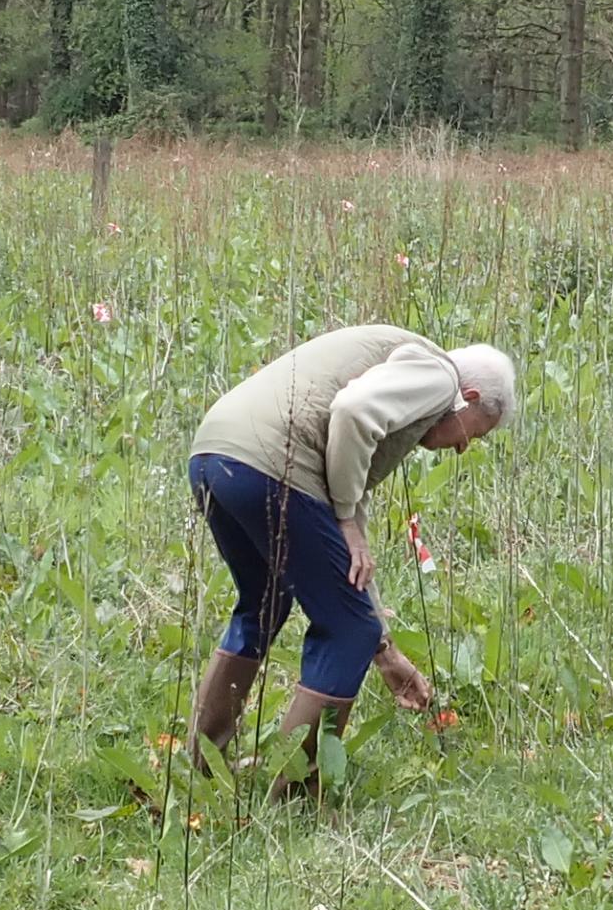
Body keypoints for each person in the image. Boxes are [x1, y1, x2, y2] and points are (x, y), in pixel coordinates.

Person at [186, 326, 516, 769]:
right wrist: (343, 517)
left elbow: (348, 538)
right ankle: (295, 798)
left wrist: (386, 650)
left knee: (264, 602)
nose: (460, 448)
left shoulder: (400, 379)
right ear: (469, 397)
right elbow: (352, 410)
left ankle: (201, 771)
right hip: (271, 465)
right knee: (347, 632)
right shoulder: (439, 377)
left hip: (213, 456)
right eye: (472, 435)